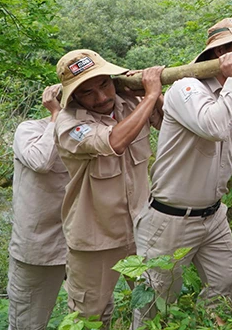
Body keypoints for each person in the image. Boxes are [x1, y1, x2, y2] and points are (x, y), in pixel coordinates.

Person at [133, 18, 232, 326]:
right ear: (220, 54)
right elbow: (214, 126)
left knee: (226, 286)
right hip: (171, 219)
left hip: (213, 217)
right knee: (155, 304)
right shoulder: (186, 88)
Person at [54, 49, 164, 327]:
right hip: (95, 239)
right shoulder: (69, 124)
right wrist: (149, 96)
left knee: (152, 304)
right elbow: (114, 142)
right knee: (90, 315)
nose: (102, 97)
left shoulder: (129, 103)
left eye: (105, 84)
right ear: (74, 96)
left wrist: (152, 93)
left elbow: (169, 123)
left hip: (141, 228)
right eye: (88, 92)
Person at [8, 84, 70, 330]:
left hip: (80, 243)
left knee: (91, 317)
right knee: (28, 323)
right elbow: (41, 161)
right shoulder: (29, 129)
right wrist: (57, 116)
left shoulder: (88, 132)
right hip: (39, 249)